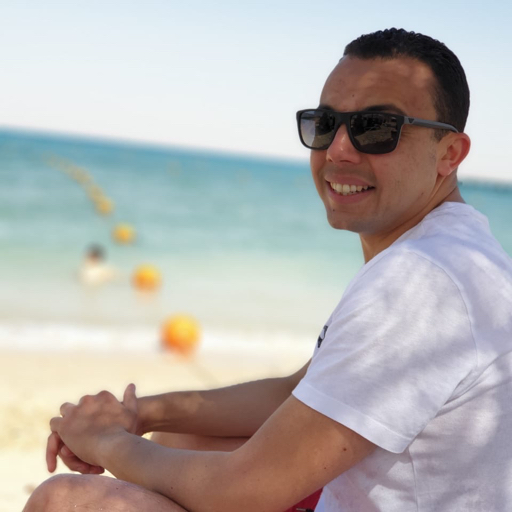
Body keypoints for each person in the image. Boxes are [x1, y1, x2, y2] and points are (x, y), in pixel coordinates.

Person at [24, 28, 512, 512]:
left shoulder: (419, 282)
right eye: (325, 124)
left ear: (449, 154)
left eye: (376, 128)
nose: (338, 149)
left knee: (63, 500)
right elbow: (297, 390)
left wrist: (106, 442)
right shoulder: (453, 249)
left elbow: (241, 491)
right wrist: (142, 413)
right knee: (180, 438)